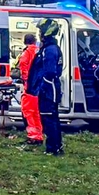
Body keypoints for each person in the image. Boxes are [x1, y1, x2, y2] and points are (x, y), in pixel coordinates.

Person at [30, 18, 65, 156]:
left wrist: (43, 87)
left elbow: (49, 72)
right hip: (50, 88)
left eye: (40, 31)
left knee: (49, 118)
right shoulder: (50, 48)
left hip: (49, 89)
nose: (39, 33)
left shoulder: (49, 50)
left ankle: (53, 147)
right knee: (52, 118)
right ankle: (56, 145)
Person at [17, 32, 43, 145]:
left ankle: (33, 136)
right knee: (36, 112)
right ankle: (39, 135)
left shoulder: (27, 52)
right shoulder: (39, 51)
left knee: (28, 111)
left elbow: (23, 66)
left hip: (30, 87)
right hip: (38, 86)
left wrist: (25, 81)